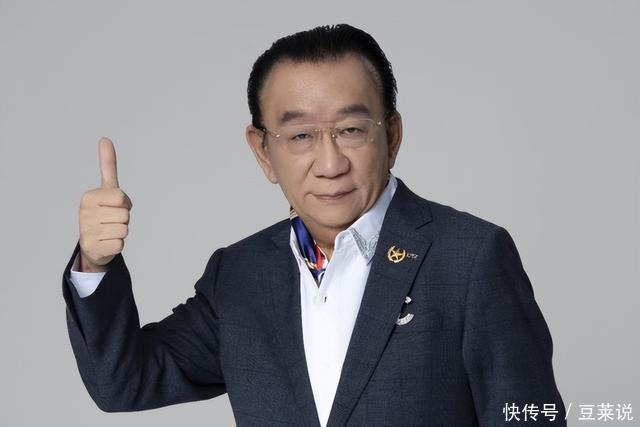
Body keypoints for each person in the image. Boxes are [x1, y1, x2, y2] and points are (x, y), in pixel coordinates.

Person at [62, 24, 566, 426]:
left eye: (350, 129)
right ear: (263, 151)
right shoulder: (239, 275)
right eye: (301, 135)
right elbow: (122, 383)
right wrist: (95, 263)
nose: (329, 164)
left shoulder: (470, 257)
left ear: (391, 136)